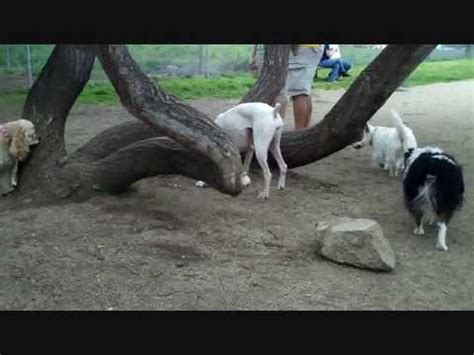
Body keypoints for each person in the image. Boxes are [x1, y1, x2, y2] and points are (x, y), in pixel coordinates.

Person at [280, 44, 323, 130]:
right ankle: (303, 132)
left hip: (301, 48)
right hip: (311, 48)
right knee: (304, 91)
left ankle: (298, 132)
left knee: (298, 92)